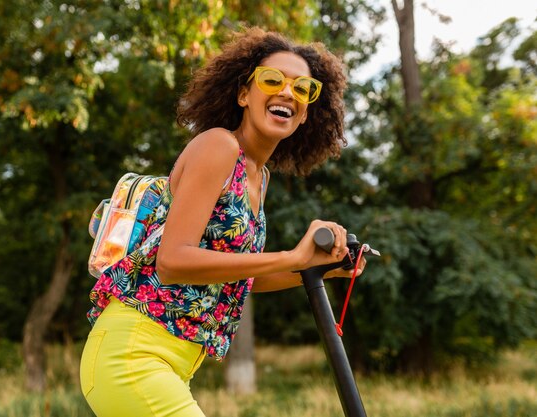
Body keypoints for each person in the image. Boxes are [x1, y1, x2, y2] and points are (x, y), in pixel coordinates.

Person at [80, 26, 366, 417]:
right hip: (132, 356)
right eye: (272, 80)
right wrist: (293, 258)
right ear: (244, 93)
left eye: (303, 89)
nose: (287, 92)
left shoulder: (258, 179)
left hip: (171, 366)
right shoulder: (218, 145)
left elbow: (237, 277)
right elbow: (174, 261)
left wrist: (321, 270)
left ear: (306, 114)